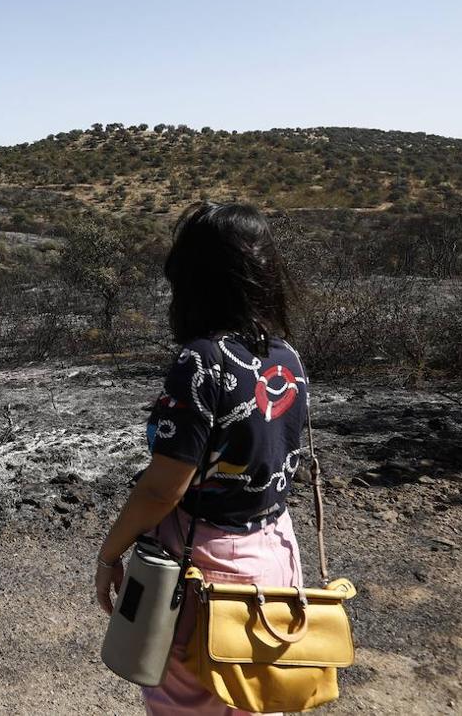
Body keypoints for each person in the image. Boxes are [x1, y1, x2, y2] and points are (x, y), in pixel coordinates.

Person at [94, 201, 309, 716]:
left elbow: (163, 487)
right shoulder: (286, 356)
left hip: (200, 569)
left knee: (185, 702)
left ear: (193, 279)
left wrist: (109, 555)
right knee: (254, 698)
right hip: (276, 555)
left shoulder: (201, 362)